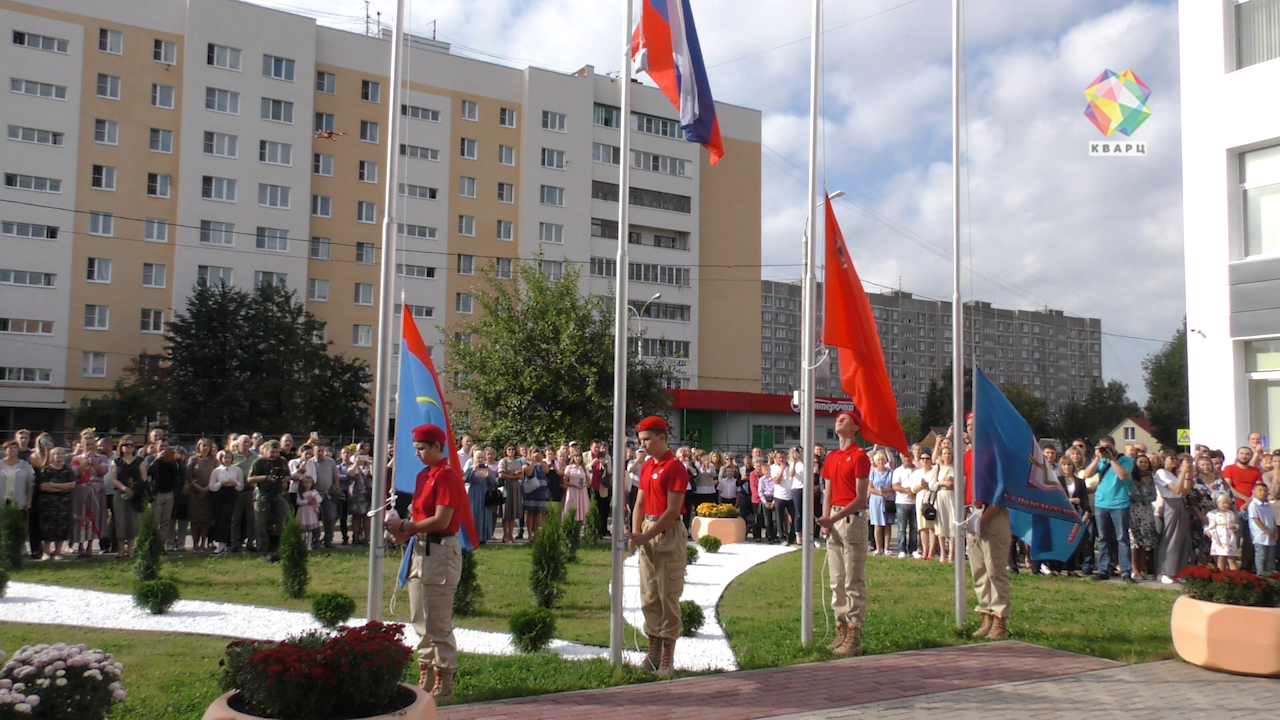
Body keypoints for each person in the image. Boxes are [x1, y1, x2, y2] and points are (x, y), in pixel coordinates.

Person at [386, 424, 469, 701]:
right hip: (420, 550)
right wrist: (401, 530)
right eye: (416, 448)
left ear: (437, 447)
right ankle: (426, 671)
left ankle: (445, 682)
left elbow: (441, 520)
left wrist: (405, 526)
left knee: (438, 622)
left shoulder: (447, 477)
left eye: (422, 448)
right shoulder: (424, 477)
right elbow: (419, 516)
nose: (418, 453)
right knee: (418, 618)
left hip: (441, 551)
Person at [629, 416, 688, 677]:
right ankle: (652, 652)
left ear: (662, 438)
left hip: (667, 534)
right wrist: (636, 532)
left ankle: (667, 658)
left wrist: (647, 534)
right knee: (649, 594)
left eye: (647, 440)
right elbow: (639, 502)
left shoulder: (674, 467)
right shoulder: (647, 467)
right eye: (640, 441)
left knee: (668, 595)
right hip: (647, 531)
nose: (643, 445)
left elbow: (673, 510)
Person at [817, 410, 872, 657]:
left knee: (853, 580)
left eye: (846, 419)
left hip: (851, 520)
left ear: (856, 428)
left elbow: (861, 497)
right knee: (836, 579)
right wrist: (826, 521)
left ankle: (854, 634)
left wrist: (834, 518)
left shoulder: (860, 456)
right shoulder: (832, 457)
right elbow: (827, 492)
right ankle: (840, 630)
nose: (839, 420)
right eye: (838, 418)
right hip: (835, 519)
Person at [1083, 436, 1135, 583]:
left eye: (1108, 447)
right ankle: (1103, 569)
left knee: (1122, 538)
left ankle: (1126, 571)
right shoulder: (1100, 460)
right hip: (1101, 503)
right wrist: (1097, 457)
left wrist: (1112, 458)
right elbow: (1087, 474)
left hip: (1120, 504)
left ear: (1114, 446)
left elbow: (1123, 476)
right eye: (1103, 447)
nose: (1105, 450)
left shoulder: (1125, 460)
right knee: (1104, 538)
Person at [249, 440, 291, 562]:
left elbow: (288, 475)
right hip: (263, 493)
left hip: (278, 493)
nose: (274, 454)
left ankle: (283, 547)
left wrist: (283, 479)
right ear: (265, 450)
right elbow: (250, 478)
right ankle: (262, 548)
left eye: (277, 452)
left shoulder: (282, 461)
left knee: (283, 520)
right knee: (261, 522)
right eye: (272, 452)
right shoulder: (259, 462)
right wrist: (266, 478)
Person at [1154, 453, 1192, 583]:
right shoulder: (1161, 473)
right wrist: (1182, 474)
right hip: (1170, 503)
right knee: (1170, 537)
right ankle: (1164, 571)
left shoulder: (1174, 474)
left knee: (1182, 538)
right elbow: (1175, 489)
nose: (1174, 461)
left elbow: (1184, 491)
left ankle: (1178, 571)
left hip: (1180, 503)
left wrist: (1186, 475)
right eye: (1172, 458)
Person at [111, 436, 146, 558]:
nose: (130, 447)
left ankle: (131, 550)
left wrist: (134, 489)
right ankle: (121, 551)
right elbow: (114, 479)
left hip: (135, 493)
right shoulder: (116, 462)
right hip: (120, 493)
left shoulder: (139, 461)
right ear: (121, 447)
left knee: (134, 521)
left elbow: (144, 477)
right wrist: (125, 489)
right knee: (120, 521)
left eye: (132, 445)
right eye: (127, 445)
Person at [38, 447, 76, 560]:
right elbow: (44, 486)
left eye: (62, 453)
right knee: (47, 527)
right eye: (57, 453)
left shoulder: (68, 471)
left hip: (64, 504)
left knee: (62, 526)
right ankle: (47, 552)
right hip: (48, 504)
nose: (59, 455)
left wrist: (54, 485)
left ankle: (58, 552)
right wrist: (63, 488)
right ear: (52, 456)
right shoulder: (46, 470)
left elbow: (72, 485)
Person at [1128, 454, 1159, 580]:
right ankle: (1135, 570)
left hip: (1146, 511)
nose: (1143, 464)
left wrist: (1143, 499)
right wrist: (1141, 485)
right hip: (1134, 511)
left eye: (1146, 462)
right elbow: (1133, 496)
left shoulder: (1150, 478)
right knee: (1135, 541)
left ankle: (1142, 569)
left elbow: (1153, 496)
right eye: (1140, 462)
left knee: (1146, 542)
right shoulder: (1131, 478)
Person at [208, 450, 243, 555]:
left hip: (231, 493)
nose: (227, 460)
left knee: (226, 517)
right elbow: (211, 486)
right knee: (219, 517)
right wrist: (221, 483)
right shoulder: (217, 471)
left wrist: (234, 483)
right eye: (225, 458)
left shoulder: (237, 470)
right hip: (219, 494)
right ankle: (220, 543)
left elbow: (241, 486)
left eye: (229, 457)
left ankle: (225, 543)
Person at [186, 439, 218, 551]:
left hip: (209, 492)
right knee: (195, 520)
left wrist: (207, 489)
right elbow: (189, 476)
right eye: (203, 445)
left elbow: (217, 475)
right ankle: (195, 544)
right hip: (195, 493)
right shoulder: (193, 459)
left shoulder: (213, 460)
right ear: (198, 446)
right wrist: (199, 488)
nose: (205, 448)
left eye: (207, 446)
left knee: (206, 520)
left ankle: (203, 543)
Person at [913, 448, 938, 561]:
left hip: (931, 501)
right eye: (922, 458)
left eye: (927, 458)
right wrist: (923, 486)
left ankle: (931, 553)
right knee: (922, 528)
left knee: (931, 528)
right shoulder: (917, 473)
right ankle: (924, 551)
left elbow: (933, 486)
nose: (925, 460)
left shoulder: (935, 471)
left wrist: (926, 486)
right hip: (919, 501)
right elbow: (913, 489)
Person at [465, 449, 495, 544]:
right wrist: (474, 470)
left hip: (485, 493)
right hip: (475, 493)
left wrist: (490, 474)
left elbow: (492, 482)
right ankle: (474, 537)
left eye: (482, 457)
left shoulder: (486, 468)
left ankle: (484, 537)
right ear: (474, 458)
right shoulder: (470, 468)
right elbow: (466, 479)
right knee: (475, 515)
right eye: (478, 457)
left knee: (485, 515)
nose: (480, 459)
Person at [867, 450, 895, 555]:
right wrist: (880, 492)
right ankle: (878, 548)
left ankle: (887, 548)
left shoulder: (891, 472)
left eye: (882, 459)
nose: (880, 461)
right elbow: (870, 488)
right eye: (878, 460)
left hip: (889, 500)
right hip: (876, 500)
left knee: (888, 524)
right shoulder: (872, 473)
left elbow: (894, 486)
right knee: (877, 525)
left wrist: (888, 491)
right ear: (875, 461)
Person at [892, 450, 918, 558]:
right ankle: (902, 549)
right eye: (904, 457)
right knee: (901, 528)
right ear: (902, 458)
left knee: (914, 527)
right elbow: (895, 486)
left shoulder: (918, 470)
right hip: (902, 502)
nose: (907, 459)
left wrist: (914, 491)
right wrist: (907, 490)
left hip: (915, 502)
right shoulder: (898, 471)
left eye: (909, 456)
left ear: (912, 457)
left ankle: (913, 549)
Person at [1206, 492, 1240, 571]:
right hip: (1219, 537)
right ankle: (1220, 575)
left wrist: (1234, 526)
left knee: (1231, 558)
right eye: (1223, 503)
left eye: (1227, 503)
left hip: (1228, 537)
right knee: (1221, 557)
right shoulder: (1213, 514)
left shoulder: (1230, 514)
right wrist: (1208, 531)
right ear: (1217, 503)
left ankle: (1235, 575)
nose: (1225, 505)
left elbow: (1235, 525)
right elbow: (1209, 526)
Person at [1248, 481, 1277, 573]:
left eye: (1265, 491)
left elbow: (1272, 519)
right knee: (1261, 556)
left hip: (1271, 535)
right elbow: (1256, 520)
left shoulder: (1268, 505)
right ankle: (1260, 575)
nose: (1263, 493)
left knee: (1271, 557)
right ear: (1254, 492)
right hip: (1260, 535)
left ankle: (1271, 575)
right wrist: (1267, 532)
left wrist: (1276, 532)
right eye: (1260, 490)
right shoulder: (1253, 505)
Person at [934, 446, 957, 563]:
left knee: (953, 524)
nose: (947, 456)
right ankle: (943, 552)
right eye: (944, 454)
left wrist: (952, 483)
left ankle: (952, 554)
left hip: (952, 496)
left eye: (949, 453)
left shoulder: (956, 468)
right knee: (941, 523)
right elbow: (932, 484)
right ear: (941, 456)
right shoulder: (938, 468)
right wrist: (943, 483)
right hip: (941, 496)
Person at [497, 445, 524, 543]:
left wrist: (518, 474)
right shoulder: (503, 461)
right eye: (509, 449)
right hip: (506, 486)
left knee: (513, 511)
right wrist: (512, 477)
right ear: (505, 451)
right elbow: (501, 474)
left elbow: (521, 476)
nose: (511, 451)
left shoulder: (518, 462)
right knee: (506, 511)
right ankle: (505, 534)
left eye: (513, 449)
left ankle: (511, 534)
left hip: (515, 487)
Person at [523, 450, 550, 540]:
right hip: (531, 490)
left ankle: (536, 533)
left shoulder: (543, 463)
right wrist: (532, 462)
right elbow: (528, 473)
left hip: (541, 490)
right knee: (530, 512)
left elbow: (546, 471)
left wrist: (540, 460)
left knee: (538, 513)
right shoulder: (526, 463)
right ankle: (530, 533)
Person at [561, 448, 589, 524]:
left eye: (579, 456)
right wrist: (574, 485)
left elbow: (589, 481)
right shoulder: (569, 467)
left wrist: (584, 485)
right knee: (571, 509)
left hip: (582, 491)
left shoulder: (584, 467)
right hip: (572, 490)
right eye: (576, 456)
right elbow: (565, 481)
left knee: (581, 511)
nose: (578, 458)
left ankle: (579, 531)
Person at [296, 476, 322, 549]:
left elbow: (320, 499)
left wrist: (315, 499)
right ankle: (302, 544)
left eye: (309, 483)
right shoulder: (300, 493)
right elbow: (298, 502)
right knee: (303, 529)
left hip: (311, 512)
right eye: (306, 483)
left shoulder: (314, 492)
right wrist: (307, 502)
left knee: (309, 529)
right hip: (303, 512)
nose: (308, 484)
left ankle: (309, 544)